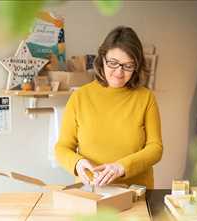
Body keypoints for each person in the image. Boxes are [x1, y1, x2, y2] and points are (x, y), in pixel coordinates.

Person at [55, 26, 163, 189]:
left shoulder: (146, 98)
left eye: (128, 66)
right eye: (113, 63)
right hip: (92, 191)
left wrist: (122, 167)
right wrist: (77, 163)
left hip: (136, 193)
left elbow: (155, 148)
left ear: (136, 66)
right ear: (102, 59)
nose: (119, 72)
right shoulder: (80, 97)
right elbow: (62, 148)